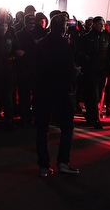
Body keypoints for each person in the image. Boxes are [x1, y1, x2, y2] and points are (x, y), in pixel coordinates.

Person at [34, 13, 79, 176]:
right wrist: (75, 72)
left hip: (42, 91)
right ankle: (63, 162)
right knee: (67, 128)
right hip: (60, 92)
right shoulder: (64, 46)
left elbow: (36, 68)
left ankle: (44, 166)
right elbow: (69, 71)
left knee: (42, 129)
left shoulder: (41, 44)